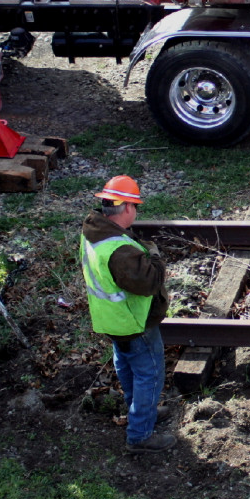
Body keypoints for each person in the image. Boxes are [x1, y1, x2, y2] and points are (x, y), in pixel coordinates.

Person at [80, 175, 175, 453]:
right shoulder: (119, 250)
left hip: (113, 319)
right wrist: (155, 256)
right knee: (151, 375)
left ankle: (141, 413)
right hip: (135, 323)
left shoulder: (95, 232)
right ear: (128, 208)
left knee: (127, 367)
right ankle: (140, 435)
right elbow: (149, 282)